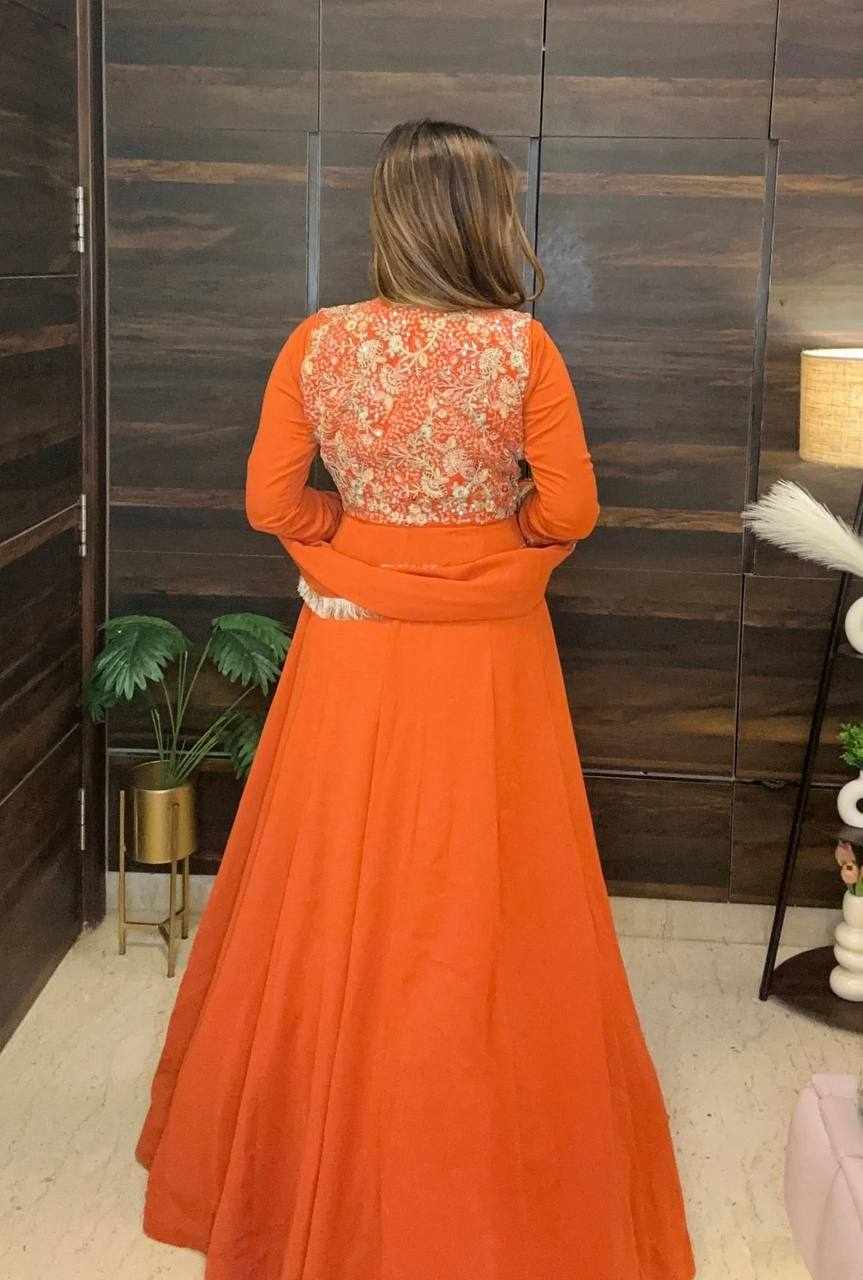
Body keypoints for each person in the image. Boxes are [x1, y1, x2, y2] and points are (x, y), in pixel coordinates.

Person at [134, 118, 696, 1280]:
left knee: (332, 874)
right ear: (487, 218)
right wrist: (495, 539)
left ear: (388, 217)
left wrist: (351, 536)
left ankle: (303, 1144)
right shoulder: (521, 349)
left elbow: (269, 502)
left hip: (355, 639)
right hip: (487, 652)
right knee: (486, 878)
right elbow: (570, 509)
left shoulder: (319, 341)